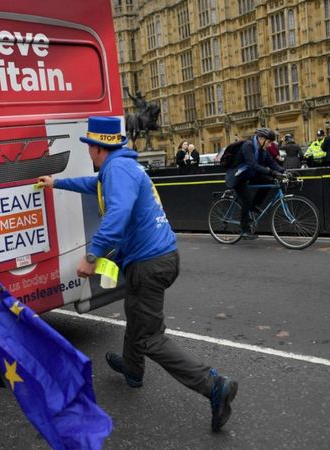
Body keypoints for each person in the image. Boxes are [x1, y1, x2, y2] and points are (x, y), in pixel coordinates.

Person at [37, 116, 239, 433]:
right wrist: (57, 183)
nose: (88, 150)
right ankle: (132, 369)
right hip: (158, 257)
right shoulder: (119, 167)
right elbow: (94, 185)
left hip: (149, 262)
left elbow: (118, 212)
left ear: (97, 147)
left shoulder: (116, 169)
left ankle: (213, 385)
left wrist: (93, 255)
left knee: (150, 336)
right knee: (136, 310)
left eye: (88, 145)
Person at [225, 127, 286, 240]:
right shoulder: (247, 146)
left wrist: (285, 172)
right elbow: (253, 165)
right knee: (246, 199)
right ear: (261, 139)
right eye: (269, 142)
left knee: (269, 180)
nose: (270, 145)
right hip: (237, 177)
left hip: (249, 174)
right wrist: (272, 172)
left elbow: (272, 163)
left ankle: (254, 205)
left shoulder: (262, 149)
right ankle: (244, 230)